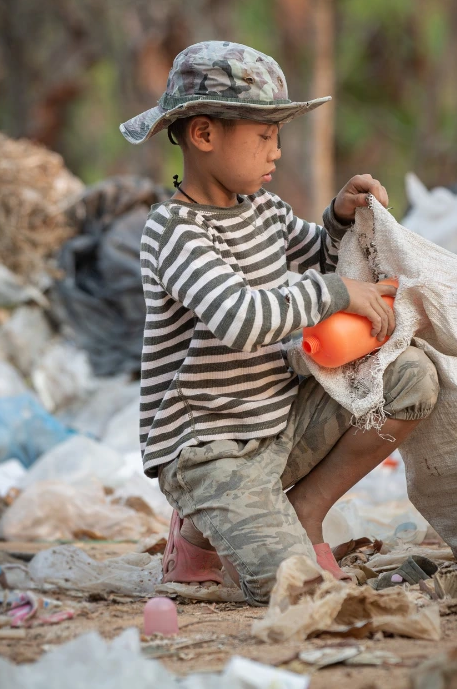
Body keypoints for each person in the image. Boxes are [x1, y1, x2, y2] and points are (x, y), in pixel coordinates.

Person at [120, 41, 440, 605]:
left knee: (411, 377)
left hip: (278, 423)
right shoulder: (174, 233)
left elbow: (318, 257)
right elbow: (242, 318)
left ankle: (304, 512)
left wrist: (340, 218)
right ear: (204, 135)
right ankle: (201, 526)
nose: (277, 152)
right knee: (299, 591)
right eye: (264, 136)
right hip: (211, 449)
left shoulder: (263, 211)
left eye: (278, 137)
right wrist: (337, 292)